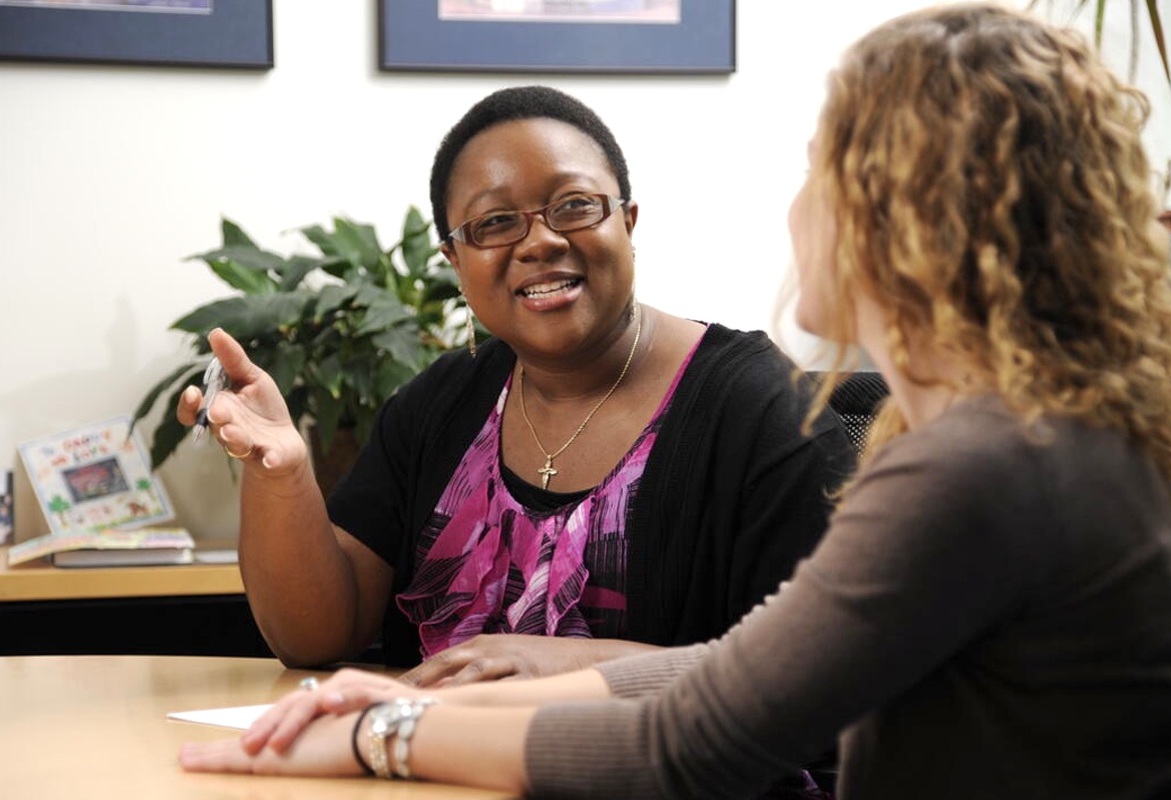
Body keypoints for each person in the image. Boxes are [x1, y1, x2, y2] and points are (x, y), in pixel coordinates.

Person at [178, 4, 1171, 796]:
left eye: (818, 172)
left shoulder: (980, 469)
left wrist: (380, 734)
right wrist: (406, 705)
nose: (797, 205)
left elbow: (697, 739)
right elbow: (751, 668)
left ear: (906, 219)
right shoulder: (1034, 442)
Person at [177, 85, 854, 680]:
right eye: (495, 223)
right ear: (454, 260)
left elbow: (818, 672)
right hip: (430, 766)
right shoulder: (439, 405)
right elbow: (315, 638)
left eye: (575, 206)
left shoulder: (762, 409)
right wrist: (283, 477)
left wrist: (570, 666)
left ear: (627, 221)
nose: (539, 242)